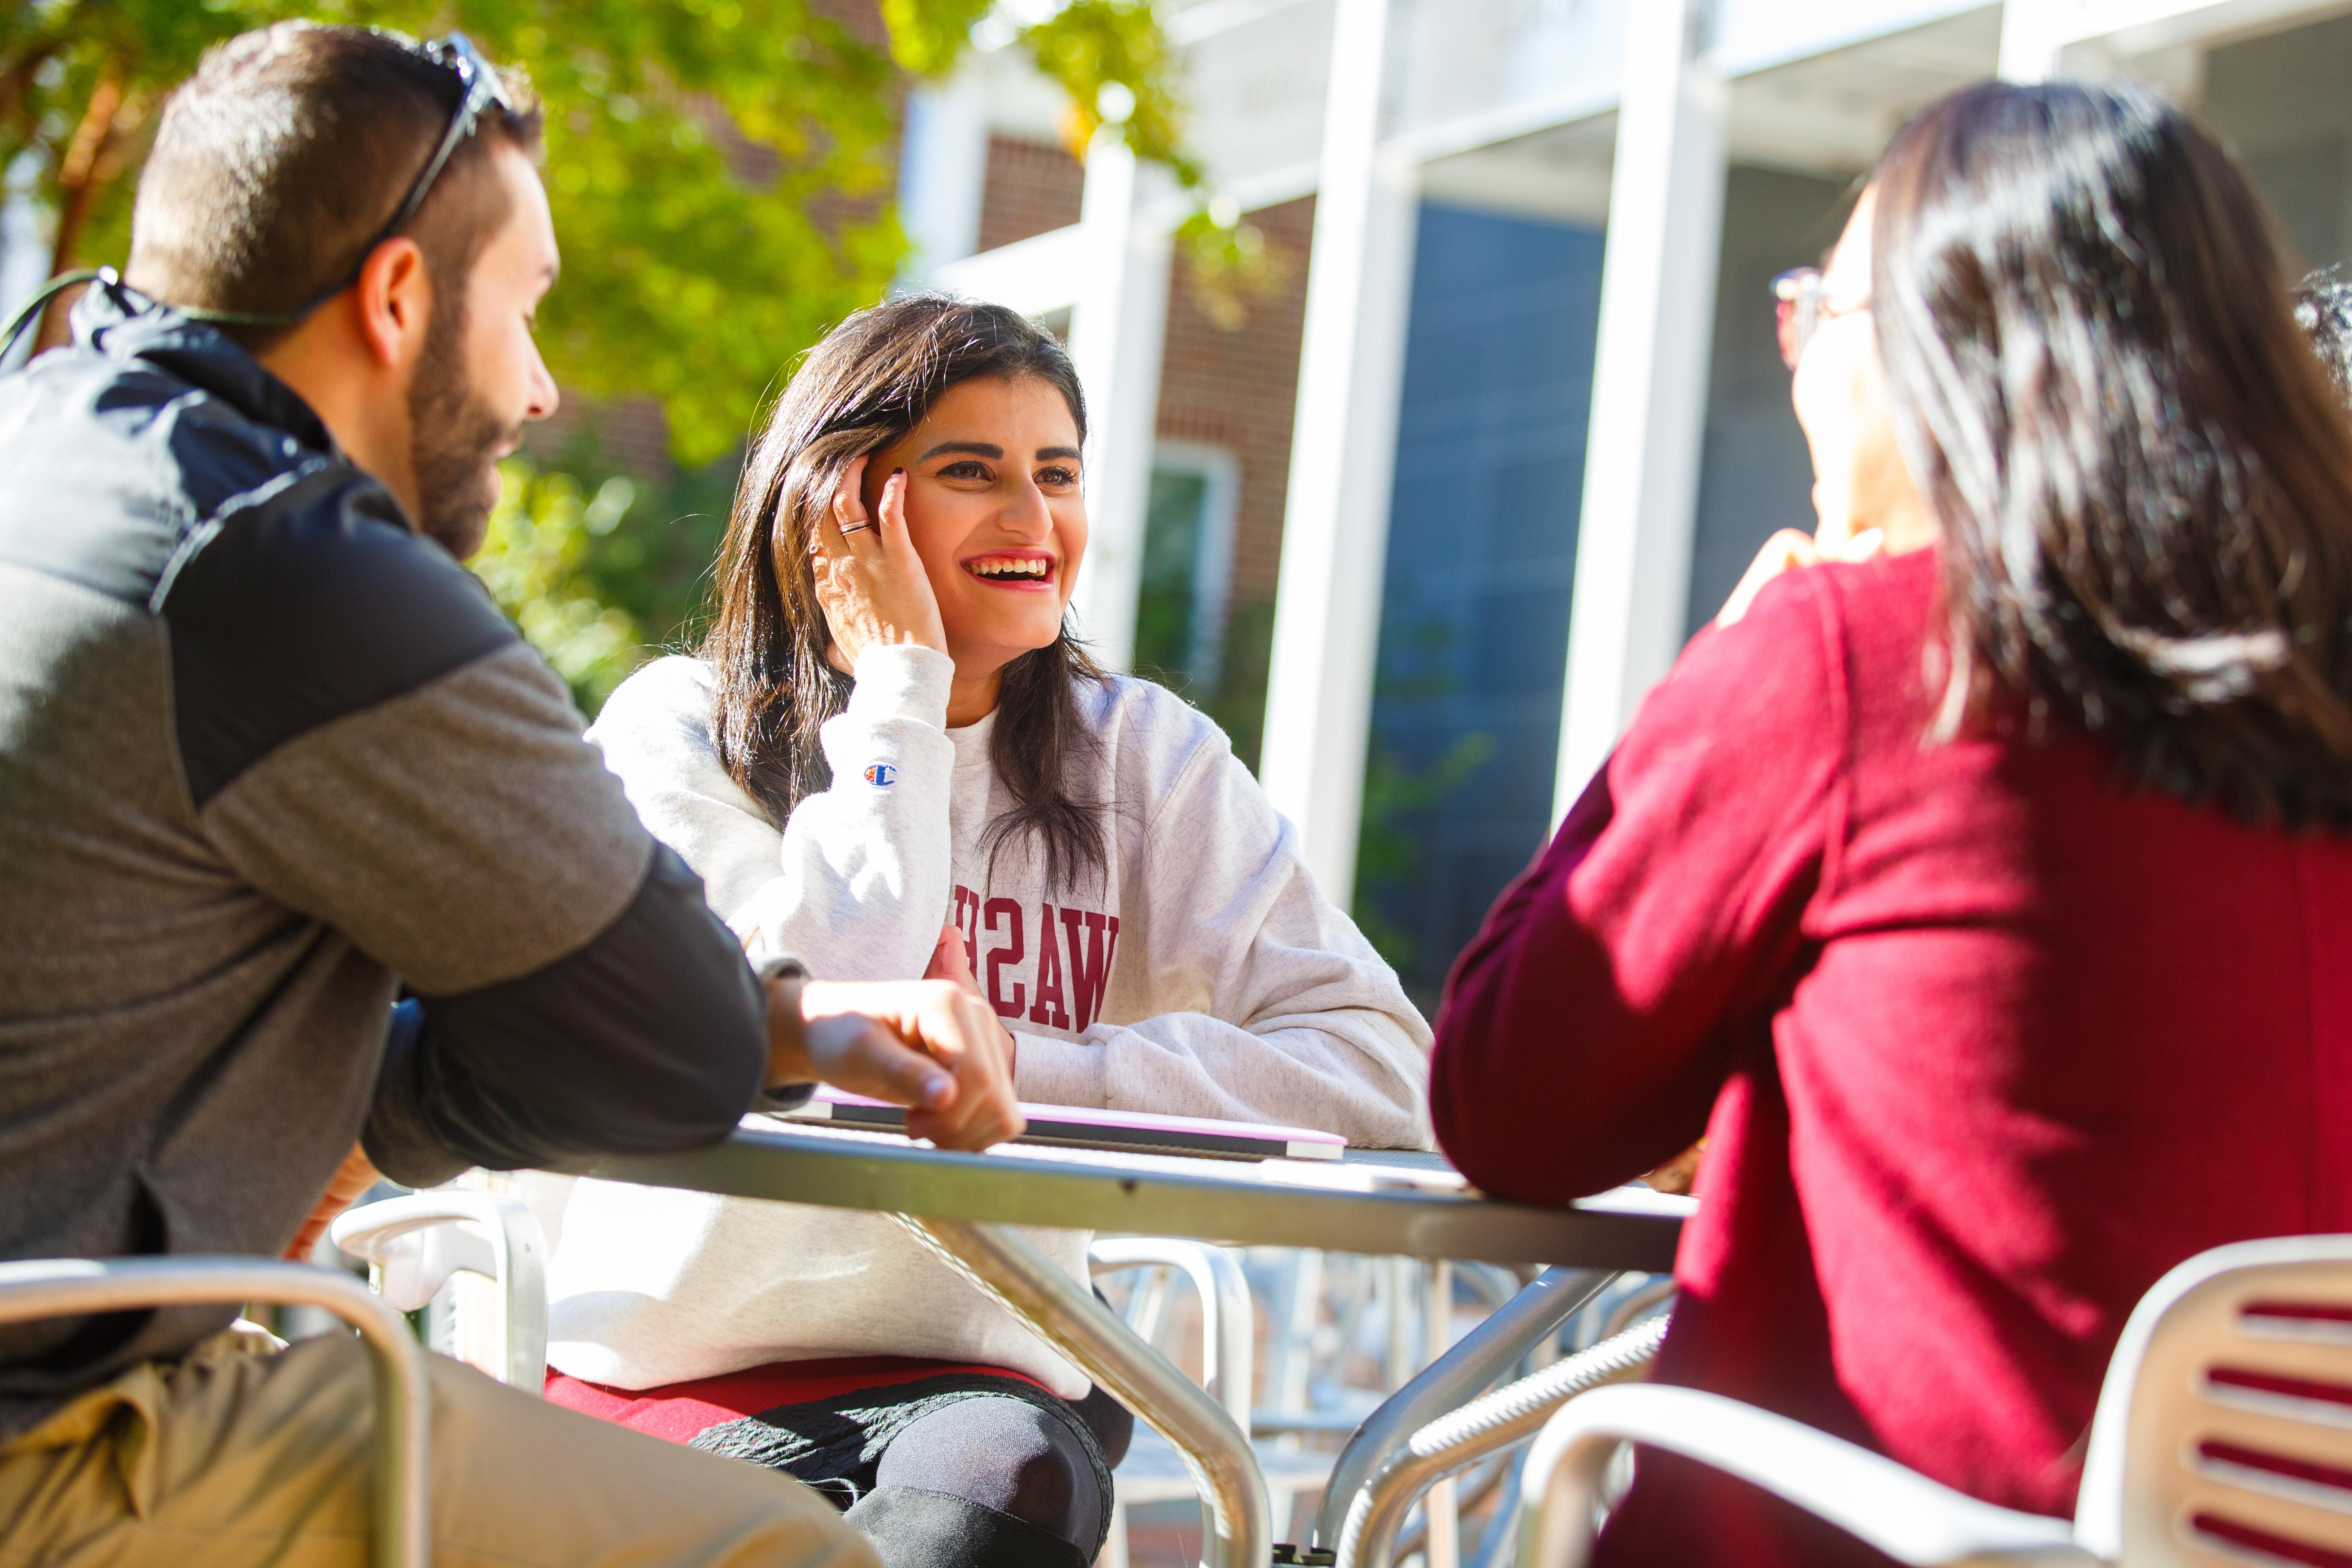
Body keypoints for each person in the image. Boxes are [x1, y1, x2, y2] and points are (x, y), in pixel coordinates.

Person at [0, 24, 1019, 1568]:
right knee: (792, 1552)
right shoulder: (299, 576)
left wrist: (789, 1026)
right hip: (53, 1432)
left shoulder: (43, 456)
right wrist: (759, 1027)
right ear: (401, 300)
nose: (544, 389)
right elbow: (659, 1043)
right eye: (526, 308)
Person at [1431, 79, 2352, 1568]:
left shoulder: (1858, 659)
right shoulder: (2318, 704)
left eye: (1819, 315)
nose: (1798, 368)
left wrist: (1716, 679)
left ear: (1940, 351)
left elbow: (1504, 1103)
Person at [523, 294, 1432, 1568]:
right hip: (671, 1375)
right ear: (842, 507)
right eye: (972, 473)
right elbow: (817, 1018)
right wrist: (900, 702)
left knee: (1001, 1472)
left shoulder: (1140, 755)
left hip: (982, 1380)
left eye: (1057, 474)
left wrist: (1028, 1068)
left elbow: (1384, 1066)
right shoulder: (679, 732)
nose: (1034, 521)